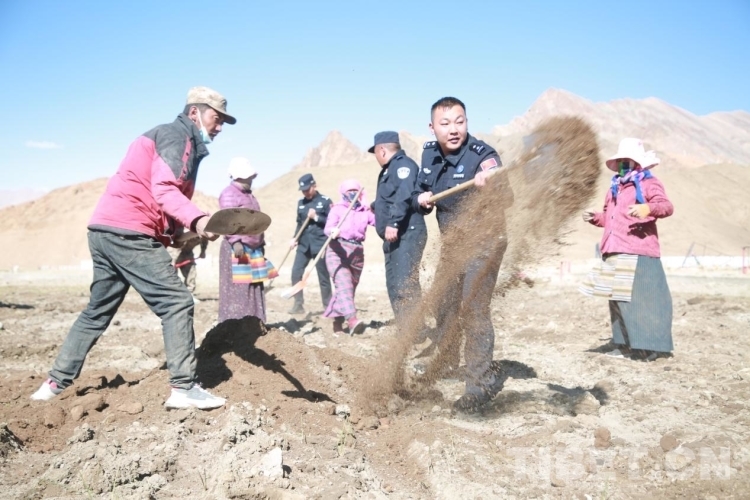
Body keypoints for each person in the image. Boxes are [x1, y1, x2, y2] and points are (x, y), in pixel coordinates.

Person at [30, 86, 234, 409]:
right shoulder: (178, 136)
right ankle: (184, 389)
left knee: (97, 311)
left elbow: (152, 197)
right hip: (129, 232)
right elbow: (164, 190)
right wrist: (198, 220)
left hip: (104, 229)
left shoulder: (165, 136)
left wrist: (182, 233)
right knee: (177, 302)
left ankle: (53, 384)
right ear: (195, 112)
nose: (220, 126)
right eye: (216, 118)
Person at [412, 96, 513, 412]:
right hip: (454, 244)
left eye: (460, 121)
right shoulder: (429, 154)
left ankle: (480, 383)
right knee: (443, 303)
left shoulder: (484, 156)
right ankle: (445, 363)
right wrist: (421, 198)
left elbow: (506, 196)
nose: (453, 129)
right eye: (445, 123)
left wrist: (491, 185)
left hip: (485, 241)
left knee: (473, 309)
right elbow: (420, 189)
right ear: (432, 127)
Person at [580, 138, 674, 361]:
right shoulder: (615, 188)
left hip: (638, 250)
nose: (623, 164)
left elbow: (666, 206)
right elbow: (610, 219)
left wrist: (647, 208)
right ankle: (623, 345)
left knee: (642, 301)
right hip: (614, 249)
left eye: (627, 160)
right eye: (621, 160)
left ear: (637, 163)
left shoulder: (649, 183)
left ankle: (649, 349)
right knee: (618, 300)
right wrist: (595, 217)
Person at [369, 131, 427, 321]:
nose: (376, 157)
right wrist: (376, 206)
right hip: (393, 238)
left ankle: (417, 330)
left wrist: (393, 222)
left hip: (406, 233)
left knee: (405, 284)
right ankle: (405, 329)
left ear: (382, 150)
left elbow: (404, 195)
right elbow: (390, 197)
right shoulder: (389, 169)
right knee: (394, 286)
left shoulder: (403, 166)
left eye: (375, 153)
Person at [218, 157, 275, 325]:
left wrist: (260, 242)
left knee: (255, 289)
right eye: (249, 177)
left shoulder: (249, 195)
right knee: (240, 292)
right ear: (240, 176)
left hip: (254, 249)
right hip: (239, 249)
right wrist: (235, 241)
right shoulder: (229, 194)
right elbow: (227, 219)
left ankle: (256, 324)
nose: (252, 180)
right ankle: (237, 327)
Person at [323, 180, 376, 334]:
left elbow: (378, 223)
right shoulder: (337, 209)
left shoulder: (365, 211)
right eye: (349, 191)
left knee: (347, 289)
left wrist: (380, 210)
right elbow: (327, 228)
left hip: (356, 253)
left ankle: (337, 322)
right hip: (337, 250)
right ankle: (352, 320)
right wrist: (332, 231)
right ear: (343, 193)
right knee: (344, 283)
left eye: (355, 191)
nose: (352, 193)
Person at [289, 173, 333, 314]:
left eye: (307, 189)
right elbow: (299, 223)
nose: (305, 193)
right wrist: (294, 238)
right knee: (296, 273)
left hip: (320, 245)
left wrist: (316, 217)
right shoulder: (301, 203)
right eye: (303, 190)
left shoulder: (325, 201)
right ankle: (298, 304)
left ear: (314, 186)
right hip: (304, 245)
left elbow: (332, 222)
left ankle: (328, 306)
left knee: (323, 277)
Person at [168, 234, 208, 301]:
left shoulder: (204, 233)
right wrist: (173, 261)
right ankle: (173, 296)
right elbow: (177, 244)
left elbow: (205, 240)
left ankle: (189, 295)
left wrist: (203, 251)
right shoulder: (187, 232)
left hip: (187, 253)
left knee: (191, 273)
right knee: (172, 276)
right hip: (174, 251)